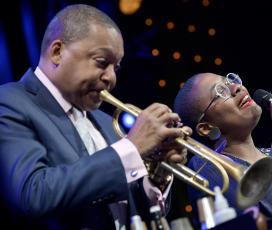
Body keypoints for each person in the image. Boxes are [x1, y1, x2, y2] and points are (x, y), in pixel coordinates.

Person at [0, 4, 190, 230]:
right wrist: (131, 149)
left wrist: (157, 176)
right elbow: (32, 195)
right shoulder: (9, 102)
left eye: (116, 68)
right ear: (57, 52)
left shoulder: (103, 120)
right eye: (102, 62)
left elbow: (127, 209)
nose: (111, 78)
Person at [173, 72, 272, 227]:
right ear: (207, 128)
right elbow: (271, 216)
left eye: (230, 81)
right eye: (220, 92)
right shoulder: (207, 166)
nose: (237, 87)